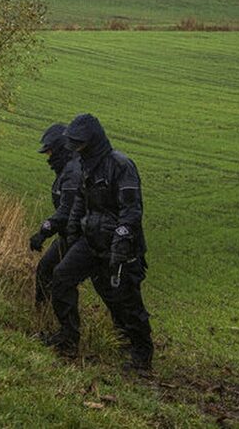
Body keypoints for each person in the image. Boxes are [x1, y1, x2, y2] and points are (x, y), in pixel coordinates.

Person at [45, 113, 153, 371]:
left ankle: (141, 353)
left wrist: (123, 241)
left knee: (126, 300)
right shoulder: (83, 165)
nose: (75, 150)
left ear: (92, 142)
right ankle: (68, 337)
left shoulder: (121, 165)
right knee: (60, 278)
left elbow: (132, 209)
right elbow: (80, 202)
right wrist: (72, 233)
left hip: (119, 244)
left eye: (79, 144)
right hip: (90, 240)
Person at [29, 123, 82, 311]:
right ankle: (43, 315)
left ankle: (67, 333)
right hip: (69, 236)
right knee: (46, 269)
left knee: (62, 278)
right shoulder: (67, 170)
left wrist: (45, 230)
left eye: (50, 152)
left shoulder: (73, 173)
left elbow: (67, 210)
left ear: (61, 148)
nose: (49, 158)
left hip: (82, 238)